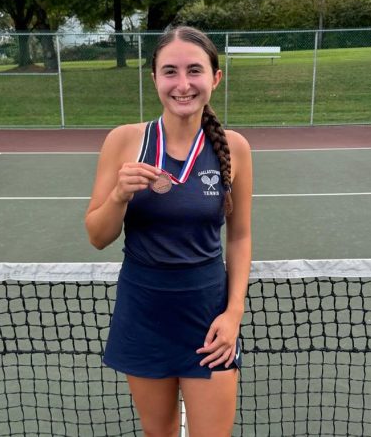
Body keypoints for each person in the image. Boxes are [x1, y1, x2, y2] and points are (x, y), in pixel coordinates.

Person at [85, 25, 252, 437]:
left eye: (194, 71)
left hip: (207, 320)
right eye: (170, 71)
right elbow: (97, 235)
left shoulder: (234, 147)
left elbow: (240, 236)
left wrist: (233, 315)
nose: (183, 84)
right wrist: (120, 196)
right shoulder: (123, 141)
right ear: (154, 79)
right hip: (143, 315)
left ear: (215, 77)